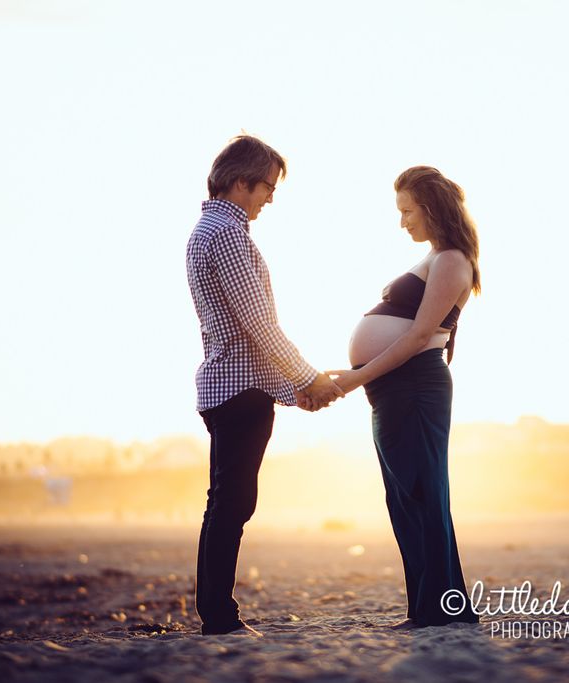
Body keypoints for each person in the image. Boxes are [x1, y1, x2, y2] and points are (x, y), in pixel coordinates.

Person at [186, 135, 343, 636]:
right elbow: (258, 323)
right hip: (237, 390)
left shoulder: (205, 230)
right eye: (266, 187)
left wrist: (290, 385)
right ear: (240, 182)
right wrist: (308, 378)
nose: (270, 198)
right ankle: (218, 617)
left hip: (229, 385)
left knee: (227, 501)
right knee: (232, 503)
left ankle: (215, 612)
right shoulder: (227, 236)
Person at [329, 166, 481, 628]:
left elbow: (418, 337)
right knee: (405, 498)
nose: (403, 222)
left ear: (431, 207)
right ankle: (427, 609)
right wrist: (362, 374)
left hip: (413, 385)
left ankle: (440, 611)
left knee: (423, 494)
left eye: (407, 211)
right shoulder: (439, 258)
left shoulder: (452, 259)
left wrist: (356, 378)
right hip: (395, 386)